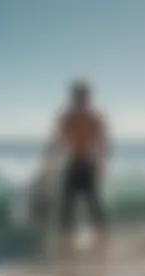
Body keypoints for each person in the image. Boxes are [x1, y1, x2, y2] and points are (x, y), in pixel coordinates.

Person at [39, 80, 109, 257]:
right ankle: (66, 249)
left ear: (88, 98)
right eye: (77, 96)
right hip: (72, 165)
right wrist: (47, 167)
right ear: (73, 97)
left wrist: (102, 166)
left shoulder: (95, 119)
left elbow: (103, 145)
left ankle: (103, 246)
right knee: (66, 209)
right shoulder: (66, 118)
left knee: (94, 207)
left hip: (88, 165)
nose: (79, 100)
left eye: (82, 96)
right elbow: (56, 143)